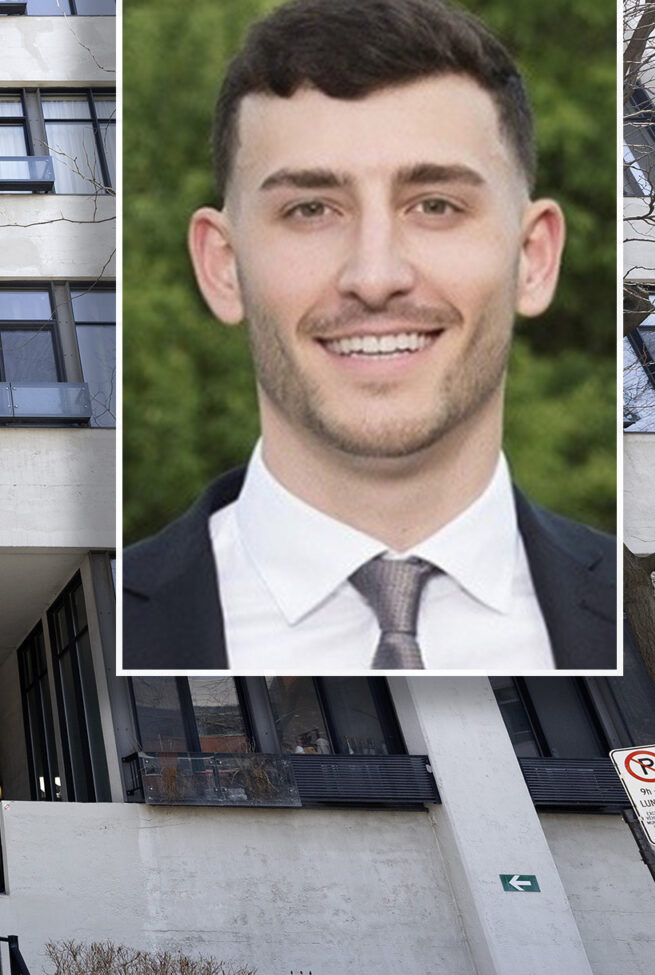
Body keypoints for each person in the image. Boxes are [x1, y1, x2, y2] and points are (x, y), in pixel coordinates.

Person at [121, 0, 615, 672]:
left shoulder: (653, 625)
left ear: (534, 258)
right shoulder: (109, 628)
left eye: (436, 206)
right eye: (311, 209)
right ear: (221, 267)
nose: (375, 276)